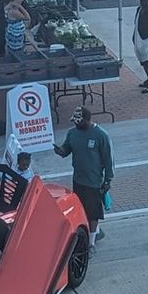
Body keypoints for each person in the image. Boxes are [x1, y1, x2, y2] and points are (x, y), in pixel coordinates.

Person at [55, 104, 113, 247]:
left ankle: (91, 243)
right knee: (81, 209)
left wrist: (108, 180)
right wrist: (60, 151)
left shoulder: (101, 135)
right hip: (78, 179)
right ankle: (95, 232)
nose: (76, 124)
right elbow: (66, 149)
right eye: (74, 121)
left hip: (94, 181)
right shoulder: (72, 133)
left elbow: (108, 159)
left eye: (79, 121)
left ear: (87, 120)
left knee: (93, 212)